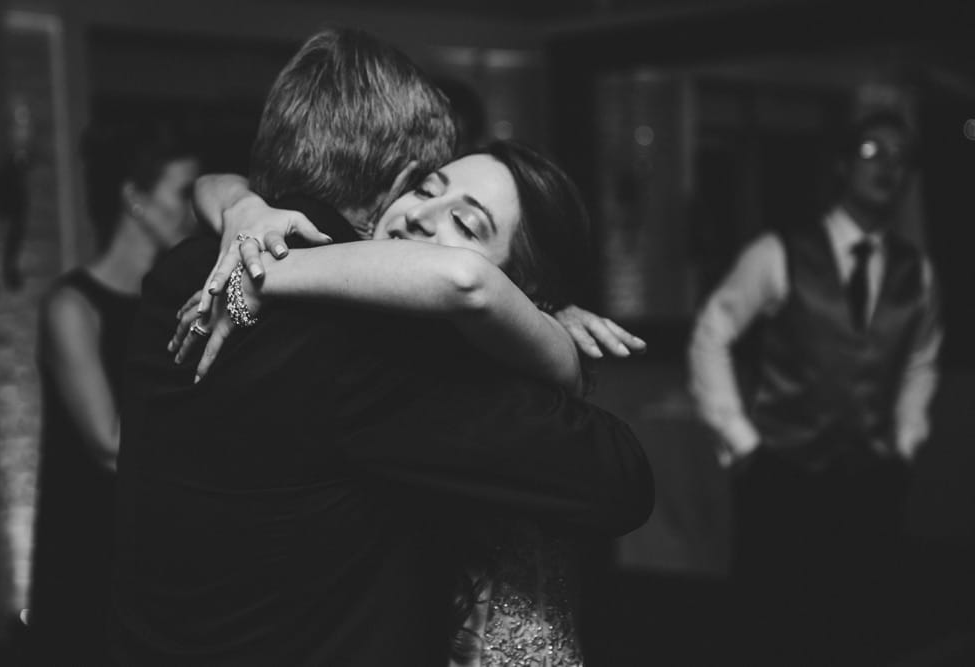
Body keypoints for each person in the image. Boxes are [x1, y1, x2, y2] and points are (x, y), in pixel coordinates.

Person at [110, 28, 652, 666]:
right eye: (427, 189)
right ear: (397, 180)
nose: (425, 214)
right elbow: (619, 483)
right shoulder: (379, 341)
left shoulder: (184, 269)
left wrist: (539, 322)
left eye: (467, 220)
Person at [688, 109, 941, 664]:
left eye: (901, 158)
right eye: (874, 152)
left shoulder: (914, 270)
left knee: (861, 628)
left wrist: (906, 440)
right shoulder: (778, 252)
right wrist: (741, 439)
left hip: (872, 481)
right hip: (784, 480)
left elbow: (921, 359)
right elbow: (713, 333)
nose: (889, 167)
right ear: (843, 166)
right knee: (778, 631)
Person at [30, 120, 199, 664]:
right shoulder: (72, 306)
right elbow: (110, 445)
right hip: (85, 544)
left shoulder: (170, 303)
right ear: (134, 199)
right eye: (180, 193)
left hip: (151, 546)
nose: (191, 213)